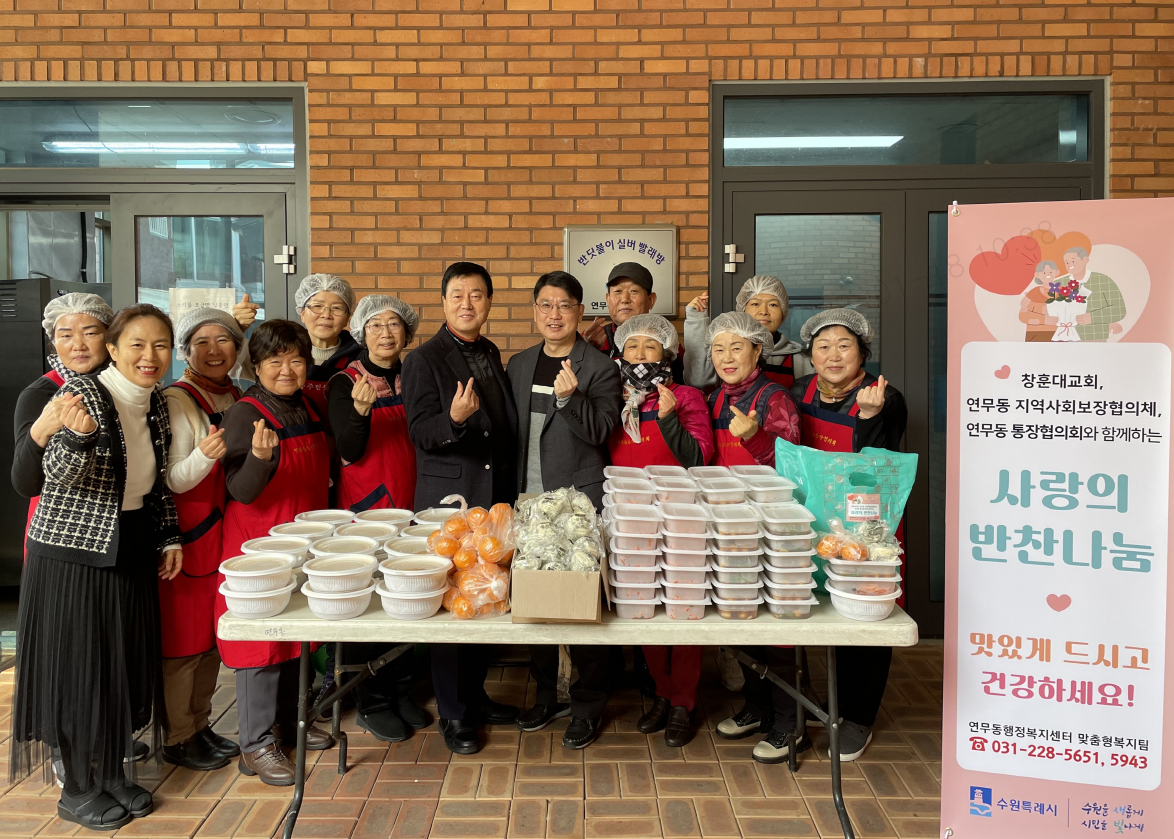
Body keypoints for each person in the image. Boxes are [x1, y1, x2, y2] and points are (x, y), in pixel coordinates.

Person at [10, 304, 183, 830]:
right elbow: (52, 475)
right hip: (71, 555)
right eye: (136, 344)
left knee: (120, 665)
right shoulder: (82, 394)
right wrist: (80, 438)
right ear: (113, 348)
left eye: (160, 345)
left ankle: (111, 773)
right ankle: (78, 790)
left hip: (129, 542)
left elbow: (156, 477)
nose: (149, 356)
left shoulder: (152, 401)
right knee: (81, 669)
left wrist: (170, 533)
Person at [401, 261, 520, 755]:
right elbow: (420, 431)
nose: (467, 303)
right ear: (444, 302)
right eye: (457, 295)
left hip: (490, 500)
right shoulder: (423, 359)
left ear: (488, 303)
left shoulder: (490, 352)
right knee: (452, 603)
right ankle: (453, 713)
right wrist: (452, 419)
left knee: (482, 594)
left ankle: (475, 696)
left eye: (476, 295)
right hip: (450, 501)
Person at [216, 320, 336, 786]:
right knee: (263, 639)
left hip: (302, 536)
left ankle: (289, 722)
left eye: (295, 359)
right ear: (256, 366)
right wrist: (261, 460)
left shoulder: (306, 403)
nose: (286, 370)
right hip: (261, 540)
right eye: (274, 361)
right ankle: (256, 743)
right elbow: (240, 491)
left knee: (296, 631)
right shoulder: (245, 414)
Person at [507, 271, 620, 750]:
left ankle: (588, 705)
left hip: (575, 503)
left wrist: (570, 399)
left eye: (565, 306)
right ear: (535, 309)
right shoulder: (518, 363)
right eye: (546, 305)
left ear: (580, 312)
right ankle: (547, 694)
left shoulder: (599, 367)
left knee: (581, 604)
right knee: (533, 598)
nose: (555, 315)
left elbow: (601, 432)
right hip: (527, 501)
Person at [791, 308, 907, 762]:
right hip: (816, 516)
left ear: (862, 352)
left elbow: (882, 461)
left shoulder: (885, 395)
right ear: (811, 355)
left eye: (844, 345)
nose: (833, 355)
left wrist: (871, 417)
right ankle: (828, 701)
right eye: (823, 346)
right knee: (818, 603)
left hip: (866, 519)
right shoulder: (800, 391)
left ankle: (858, 717)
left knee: (865, 606)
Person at [602, 313, 712, 747]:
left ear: (668, 352)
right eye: (633, 347)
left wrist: (669, 418)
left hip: (680, 520)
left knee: (683, 612)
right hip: (631, 523)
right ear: (620, 352)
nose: (642, 354)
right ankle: (663, 695)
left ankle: (684, 700)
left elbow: (699, 458)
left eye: (651, 347)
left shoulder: (685, 396)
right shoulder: (615, 397)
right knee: (643, 607)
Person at [327, 294, 428, 742]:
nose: (386, 333)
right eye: (375, 326)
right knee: (374, 603)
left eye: (394, 325)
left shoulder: (417, 375)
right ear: (361, 332)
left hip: (415, 499)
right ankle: (372, 700)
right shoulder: (343, 381)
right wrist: (361, 410)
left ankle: (404, 690)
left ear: (407, 332)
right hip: (370, 505)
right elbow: (347, 448)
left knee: (412, 594)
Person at [159, 308, 247, 772]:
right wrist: (204, 457)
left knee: (210, 639)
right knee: (183, 644)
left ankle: (200, 723)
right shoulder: (179, 398)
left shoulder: (233, 391)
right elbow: (173, 478)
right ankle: (177, 736)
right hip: (188, 536)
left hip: (221, 530)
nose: (215, 350)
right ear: (186, 350)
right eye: (202, 342)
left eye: (225, 341)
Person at [12, 293, 115, 536]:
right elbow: (25, 484)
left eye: (90, 333)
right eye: (66, 336)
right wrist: (40, 429)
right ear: (53, 343)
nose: (78, 345)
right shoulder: (41, 393)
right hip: (60, 532)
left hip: (121, 523)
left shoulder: (125, 387)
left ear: (110, 338)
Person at [705, 311, 801, 469]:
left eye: (736, 349)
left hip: (760, 494)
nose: (727, 358)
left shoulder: (777, 399)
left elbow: (790, 467)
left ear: (757, 351)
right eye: (719, 350)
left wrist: (753, 436)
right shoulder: (714, 398)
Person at [684, 275, 812, 390]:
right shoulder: (726, 353)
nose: (764, 311)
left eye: (773, 305)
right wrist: (696, 320)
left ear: (783, 312)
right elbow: (699, 382)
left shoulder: (799, 359)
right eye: (755, 304)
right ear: (742, 310)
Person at [582, 262, 685, 383]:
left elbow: (682, 385)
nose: (625, 299)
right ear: (608, 299)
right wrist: (586, 351)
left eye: (634, 291)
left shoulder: (666, 341)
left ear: (651, 300)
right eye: (618, 291)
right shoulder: (591, 338)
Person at [295, 273, 361, 419]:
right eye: (317, 306)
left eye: (336, 308)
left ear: (347, 319)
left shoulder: (361, 358)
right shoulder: (282, 353)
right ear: (302, 314)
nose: (326, 315)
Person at [1063, 246, 1126, 342]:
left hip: (1095, 337)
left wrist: (1092, 317)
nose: (1069, 265)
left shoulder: (1103, 280)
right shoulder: (1059, 284)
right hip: (1065, 338)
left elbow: (1119, 310)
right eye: (1066, 262)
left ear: (1085, 260)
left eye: (1073, 261)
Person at [1019, 260, 1061, 342]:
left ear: (1057, 272)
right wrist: (1044, 320)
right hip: (1035, 335)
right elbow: (1023, 316)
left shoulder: (1064, 291)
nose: (1048, 274)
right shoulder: (1032, 293)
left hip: (1059, 334)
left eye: (1051, 272)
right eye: (1044, 273)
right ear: (1037, 275)